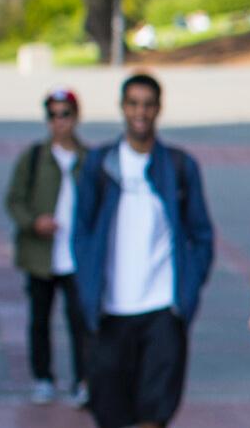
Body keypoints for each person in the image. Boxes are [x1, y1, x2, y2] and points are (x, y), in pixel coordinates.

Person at [73, 74, 215, 428]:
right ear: (123, 107)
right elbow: (82, 231)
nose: (141, 112)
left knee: (155, 415)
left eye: (148, 104)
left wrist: (188, 289)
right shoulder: (99, 164)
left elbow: (201, 234)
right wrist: (88, 283)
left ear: (158, 109)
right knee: (110, 413)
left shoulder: (179, 166)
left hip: (161, 311)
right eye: (133, 104)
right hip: (110, 311)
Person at [5, 87, 92, 407]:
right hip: (41, 255)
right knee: (39, 320)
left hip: (75, 257)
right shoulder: (34, 157)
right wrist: (33, 222)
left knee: (79, 322)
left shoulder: (89, 159)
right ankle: (43, 378)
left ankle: (82, 381)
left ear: (76, 117)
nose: (59, 122)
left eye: (65, 114)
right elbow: (14, 200)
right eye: (53, 115)